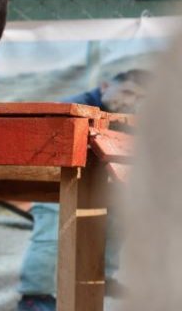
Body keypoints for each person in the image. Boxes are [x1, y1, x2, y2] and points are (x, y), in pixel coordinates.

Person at [15, 69, 149, 311]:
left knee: (119, 217)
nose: (130, 102)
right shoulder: (72, 107)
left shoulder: (129, 118)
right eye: (128, 92)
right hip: (52, 182)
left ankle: (104, 277)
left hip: (94, 184)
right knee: (50, 234)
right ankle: (34, 296)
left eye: (138, 98)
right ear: (106, 85)